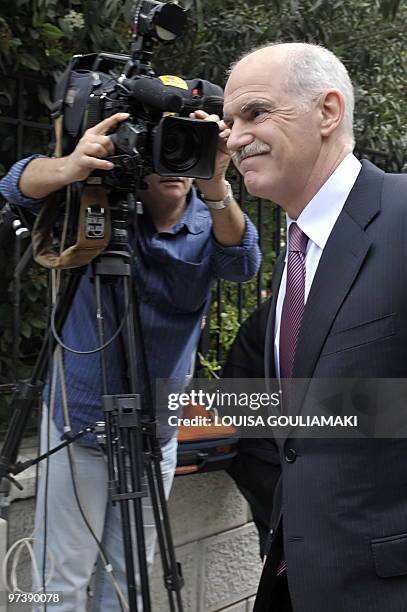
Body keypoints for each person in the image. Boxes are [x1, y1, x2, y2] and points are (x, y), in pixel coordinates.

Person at [0, 110, 261, 611]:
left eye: (190, 144)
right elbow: (15, 186)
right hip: (78, 424)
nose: (177, 158)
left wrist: (217, 184)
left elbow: (245, 262)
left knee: (129, 576)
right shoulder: (95, 209)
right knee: (59, 577)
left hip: (155, 431)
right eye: (166, 143)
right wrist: (74, 165)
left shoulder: (212, 222)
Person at [222, 42, 407, 612]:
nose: (232, 138)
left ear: (327, 112)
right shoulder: (298, 251)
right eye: (229, 123)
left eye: (254, 113)